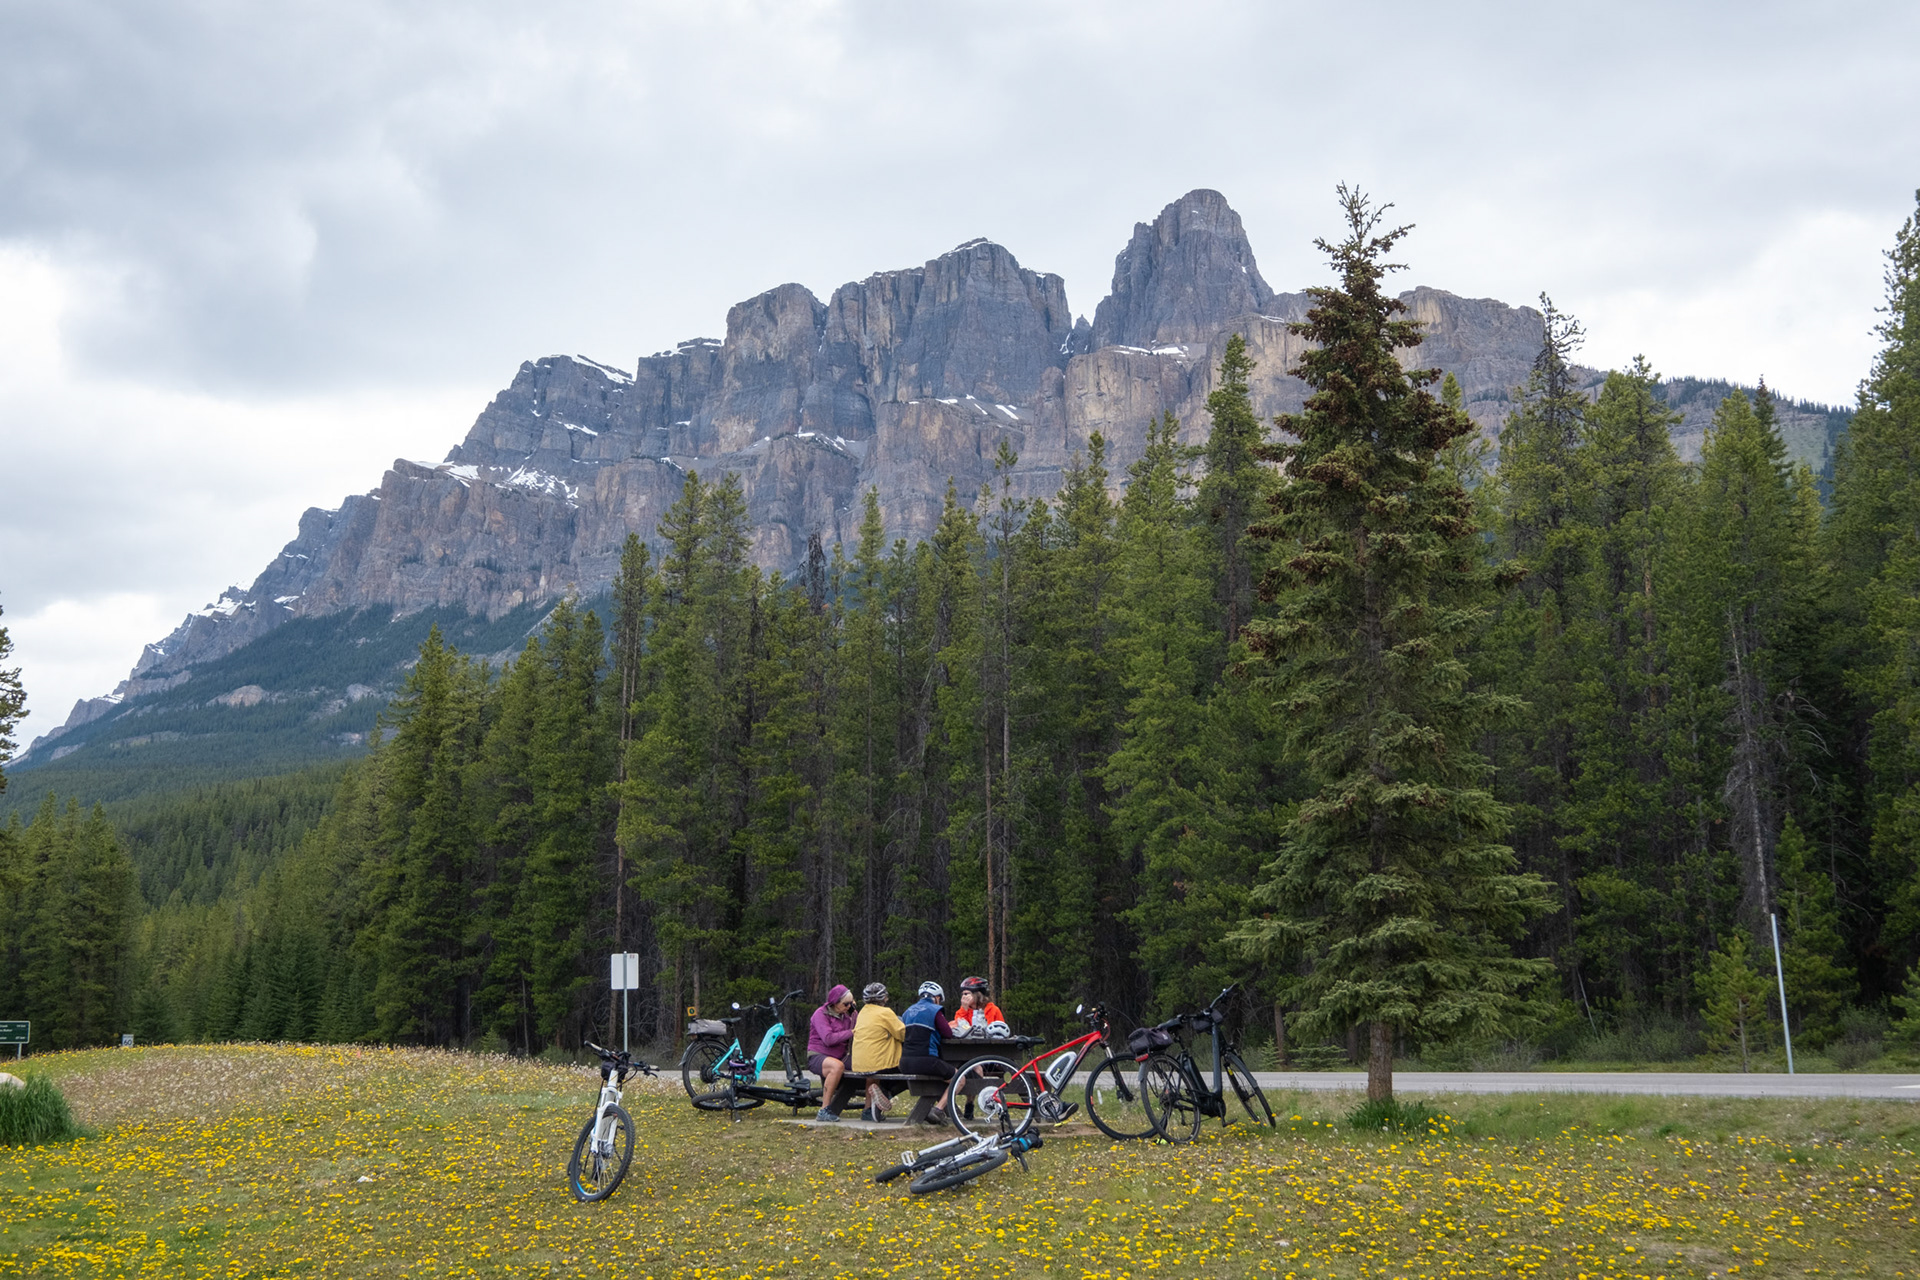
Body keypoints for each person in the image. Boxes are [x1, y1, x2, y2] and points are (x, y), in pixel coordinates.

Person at [849, 981, 905, 1121]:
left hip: (859, 1063)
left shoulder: (863, 1012)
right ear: (884, 998)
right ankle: (886, 1094)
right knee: (910, 1072)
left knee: (873, 1076)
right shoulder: (885, 1012)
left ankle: (868, 1111)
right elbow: (902, 1033)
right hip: (880, 1063)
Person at [807, 984, 857, 1122]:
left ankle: (870, 1108)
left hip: (840, 1056)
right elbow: (828, 1039)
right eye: (846, 1004)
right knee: (837, 1066)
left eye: (851, 1003)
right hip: (818, 1055)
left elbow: (859, 1025)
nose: (848, 1006)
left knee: (866, 1065)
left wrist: (854, 1012)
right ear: (835, 1003)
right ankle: (824, 1109)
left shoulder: (847, 1016)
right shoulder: (820, 1014)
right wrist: (851, 1032)